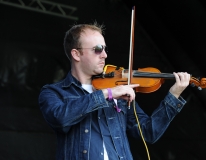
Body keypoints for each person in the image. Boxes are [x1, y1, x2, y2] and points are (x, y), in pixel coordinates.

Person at [38, 22, 190, 160]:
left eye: (105, 49)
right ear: (76, 54)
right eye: (97, 49)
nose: (105, 55)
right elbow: (60, 118)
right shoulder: (53, 93)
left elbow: (148, 133)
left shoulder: (118, 89)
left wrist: (173, 95)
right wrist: (107, 94)